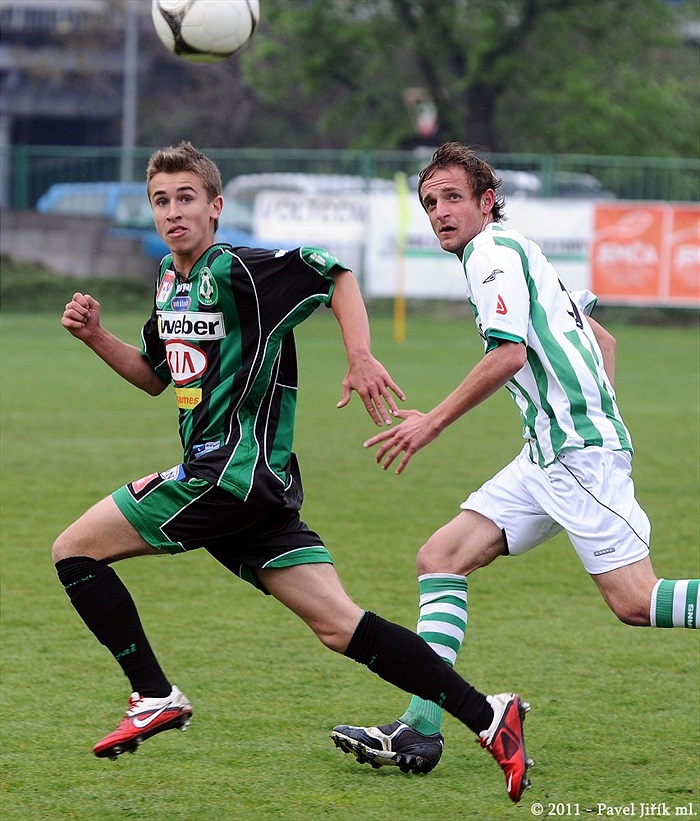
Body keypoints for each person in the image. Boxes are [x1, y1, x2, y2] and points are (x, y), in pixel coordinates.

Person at [54, 140, 533, 803]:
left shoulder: (244, 270)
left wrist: (360, 355)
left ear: (216, 207)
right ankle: (489, 717)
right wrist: (95, 337)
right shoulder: (169, 278)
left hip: (229, 476)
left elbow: (335, 273)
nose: (172, 211)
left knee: (73, 549)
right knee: (340, 624)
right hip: (253, 490)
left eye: (186, 197)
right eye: (160, 201)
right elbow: (154, 376)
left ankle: (154, 693)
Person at [331, 141, 700, 777]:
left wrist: (433, 425)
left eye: (452, 198)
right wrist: (591, 412)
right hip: (549, 455)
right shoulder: (520, 249)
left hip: (575, 457)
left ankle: (424, 725)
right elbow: (599, 338)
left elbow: (509, 354)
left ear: (486, 202)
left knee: (637, 602)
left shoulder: (491, 254)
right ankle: (421, 730)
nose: (440, 212)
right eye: (430, 203)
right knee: (440, 558)